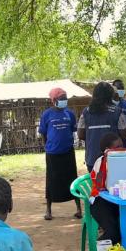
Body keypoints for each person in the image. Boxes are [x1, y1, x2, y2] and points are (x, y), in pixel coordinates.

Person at [39, 88, 82, 221]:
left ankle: (79, 209)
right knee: (51, 180)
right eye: (61, 98)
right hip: (52, 153)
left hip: (68, 151)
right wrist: (48, 147)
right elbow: (44, 134)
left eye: (65, 98)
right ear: (54, 100)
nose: (64, 100)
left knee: (73, 179)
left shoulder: (70, 113)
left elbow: (73, 130)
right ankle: (48, 211)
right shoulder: (46, 115)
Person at [79, 81, 126, 168]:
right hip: (112, 158)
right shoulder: (117, 111)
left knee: (96, 181)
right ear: (110, 95)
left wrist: (93, 137)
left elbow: (80, 134)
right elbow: (125, 135)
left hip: (92, 158)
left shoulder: (86, 112)